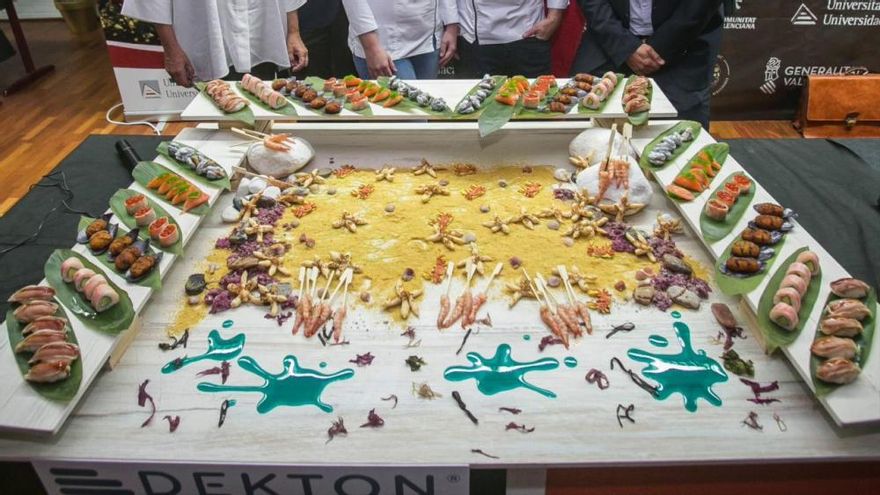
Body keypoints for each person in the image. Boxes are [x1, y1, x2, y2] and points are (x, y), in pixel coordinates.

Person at [572, 0, 723, 127]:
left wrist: (660, 48)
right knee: (581, 121)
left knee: (681, 134)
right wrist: (626, 48)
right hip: (610, 38)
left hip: (684, 40)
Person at [121, 0, 310, 87]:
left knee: (265, 115)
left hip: (264, 34)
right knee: (219, 119)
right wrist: (171, 51)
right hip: (210, 38)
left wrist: (293, 32)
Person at [342, 0, 459, 79]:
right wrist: (372, 47)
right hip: (384, 43)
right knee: (411, 114)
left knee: (426, 108)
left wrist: (451, 24)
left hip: (429, 37)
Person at [457, 0, 569, 78]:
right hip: (471, 37)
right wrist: (450, 27)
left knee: (532, 106)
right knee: (475, 108)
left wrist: (555, 15)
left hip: (525, 31)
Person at [294, 0, 355, 79]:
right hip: (304, 23)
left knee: (348, 81)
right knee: (311, 83)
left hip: (344, 18)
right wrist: (293, 32)